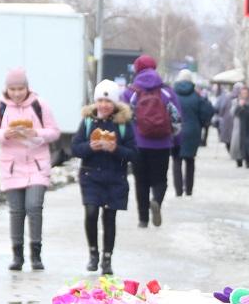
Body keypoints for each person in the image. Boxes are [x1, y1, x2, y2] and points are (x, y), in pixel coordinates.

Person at [0, 67, 61, 271]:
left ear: (27, 87)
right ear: (6, 89)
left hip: (37, 164)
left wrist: (35, 133)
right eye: (12, 89)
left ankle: (36, 254)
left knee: (34, 207)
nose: (17, 93)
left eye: (20, 88)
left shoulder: (39, 105)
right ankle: (17, 255)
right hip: (12, 166)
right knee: (16, 211)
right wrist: (5, 134)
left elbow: (54, 132)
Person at [71, 80, 137, 276]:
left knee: (109, 218)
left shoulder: (124, 124)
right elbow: (75, 148)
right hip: (90, 175)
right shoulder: (89, 122)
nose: (104, 105)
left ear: (115, 103)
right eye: (100, 100)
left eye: (108, 101)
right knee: (91, 213)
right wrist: (90, 147)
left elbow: (134, 154)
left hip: (115, 177)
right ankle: (93, 253)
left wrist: (115, 149)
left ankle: (107, 258)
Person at [120, 54, 181, 228]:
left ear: (137, 69)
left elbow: (123, 120)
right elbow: (177, 119)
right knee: (160, 179)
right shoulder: (166, 92)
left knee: (141, 181)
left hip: (138, 144)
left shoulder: (130, 93)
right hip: (162, 144)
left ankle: (143, 219)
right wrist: (175, 141)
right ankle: (157, 201)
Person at [172, 69, 214, 197]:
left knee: (176, 161)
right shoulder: (197, 96)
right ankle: (189, 190)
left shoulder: (173, 95)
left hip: (176, 131)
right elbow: (207, 112)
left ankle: (178, 191)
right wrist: (201, 123)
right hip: (192, 132)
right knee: (190, 161)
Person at [218, 83, 243, 152]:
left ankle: (230, 150)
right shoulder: (242, 98)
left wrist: (221, 115)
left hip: (227, 119)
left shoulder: (227, 96)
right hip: (237, 120)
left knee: (228, 137)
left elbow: (222, 107)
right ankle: (235, 151)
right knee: (236, 137)